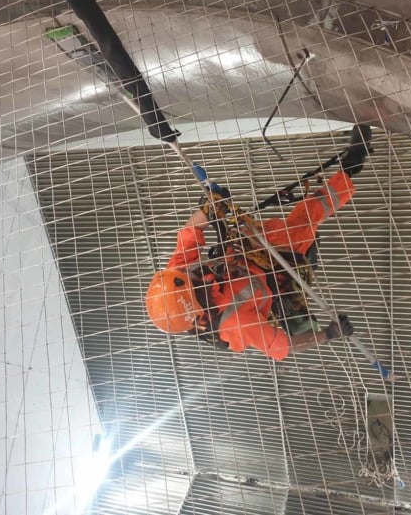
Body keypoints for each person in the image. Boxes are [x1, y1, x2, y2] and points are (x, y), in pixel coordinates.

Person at [145, 140, 367, 361]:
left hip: (245, 255)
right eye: (193, 280)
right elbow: (282, 346)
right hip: (277, 279)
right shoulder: (234, 323)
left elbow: (189, 231)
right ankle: (349, 171)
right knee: (301, 226)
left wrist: (211, 207)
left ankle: (346, 172)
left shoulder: (176, 279)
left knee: (288, 226)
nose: (189, 273)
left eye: (185, 275)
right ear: (195, 302)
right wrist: (329, 334)